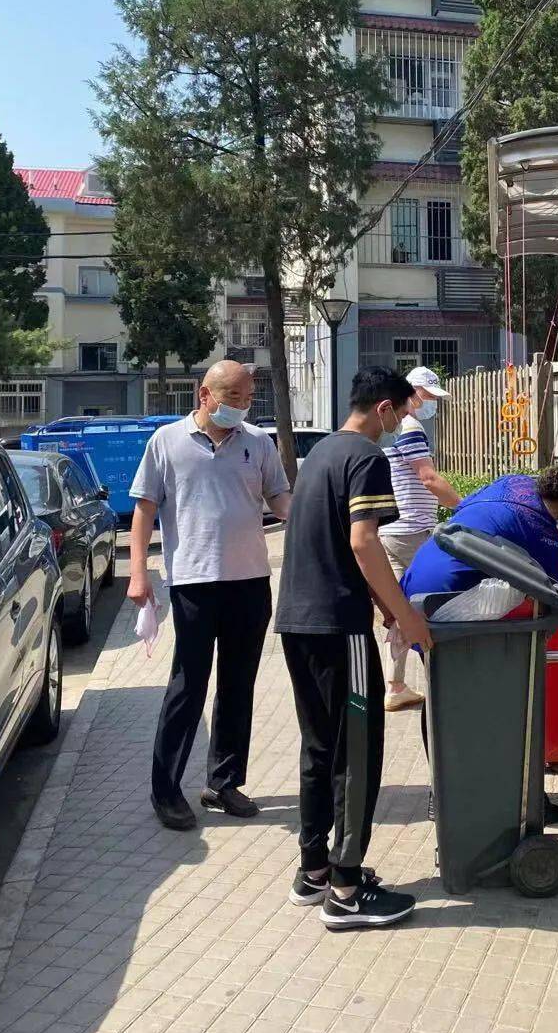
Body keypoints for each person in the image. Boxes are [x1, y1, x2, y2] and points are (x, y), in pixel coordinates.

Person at [275, 366, 432, 929]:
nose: (402, 423)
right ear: (385, 409)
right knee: (358, 755)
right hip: (339, 628)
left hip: (296, 621)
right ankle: (345, 891)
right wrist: (410, 617)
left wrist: (386, 605)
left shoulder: (320, 453)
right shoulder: (367, 457)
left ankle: (313, 870)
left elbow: (340, 546)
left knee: (320, 750)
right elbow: (365, 541)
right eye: (404, 412)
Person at [401, 464, 558, 824]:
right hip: (448, 597)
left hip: (422, 578)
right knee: (482, 700)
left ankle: (453, 793)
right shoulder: (539, 527)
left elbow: (466, 512)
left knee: (443, 690)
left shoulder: (517, 484)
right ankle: (481, 798)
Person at [129, 360, 291, 831]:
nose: (242, 406)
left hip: (250, 581)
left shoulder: (258, 443)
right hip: (194, 582)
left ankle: (223, 783)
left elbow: (278, 497)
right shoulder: (167, 442)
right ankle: (166, 789)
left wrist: (301, 515)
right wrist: (138, 574)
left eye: (247, 399)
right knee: (188, 685)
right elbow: (144, 511)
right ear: (205, 395)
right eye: (234, 398)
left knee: (238, 685)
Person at [377, 365, 461, 713]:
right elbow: (428, 477)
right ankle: (446, 676)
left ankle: (396, 686)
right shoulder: (411, 428)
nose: (431, 405)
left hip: (392, 531)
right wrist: (466, 506)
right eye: (427, 397)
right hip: (413, 530)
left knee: (399, 609)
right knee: (439, 602)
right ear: (410, 394)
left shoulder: (395, 429)